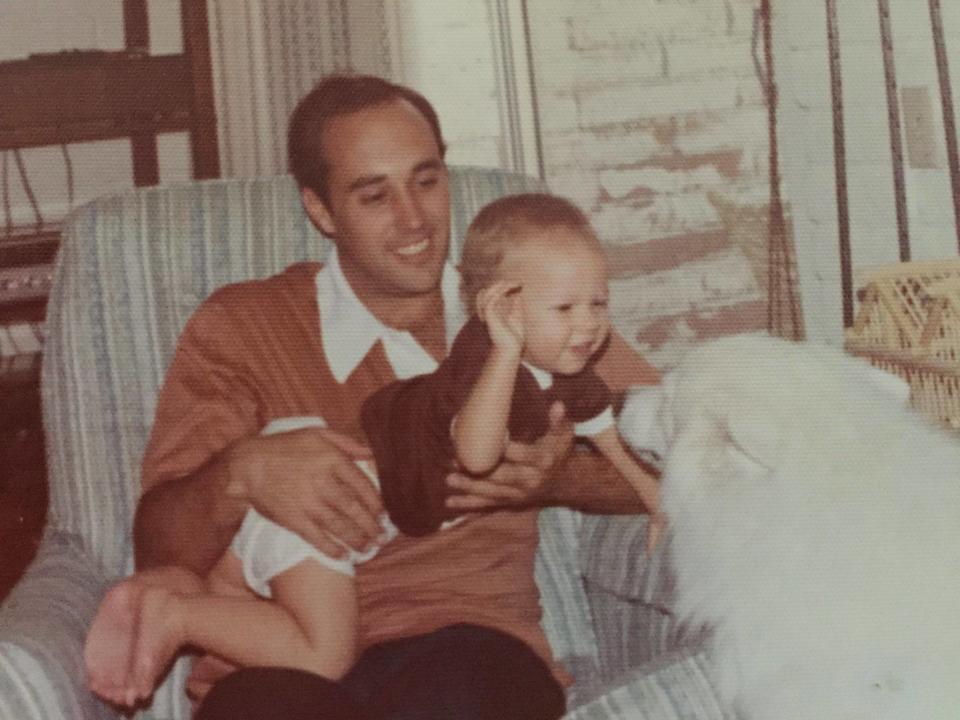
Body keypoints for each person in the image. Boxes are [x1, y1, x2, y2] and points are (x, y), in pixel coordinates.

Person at [112, 74, 661, 719]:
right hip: (284, 661)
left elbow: (688, 464)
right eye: (375, 195)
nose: (415, 220)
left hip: (471, 650)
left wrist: (556, 478)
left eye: (427, 181)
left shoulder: (528, 316)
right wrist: (240, 472)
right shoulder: (243, 325)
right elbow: (159, 545)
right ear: (321, 211)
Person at [361, 192, 665, 550]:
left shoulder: (567, 362)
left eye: (598, 303)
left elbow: (607, 437)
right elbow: (477, 458)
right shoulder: (483, 357)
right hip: (381, 457)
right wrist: (506, 352)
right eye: (564, 308)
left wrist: (658, 502)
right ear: (505, 310)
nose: (589, 323)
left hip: (425, 512)